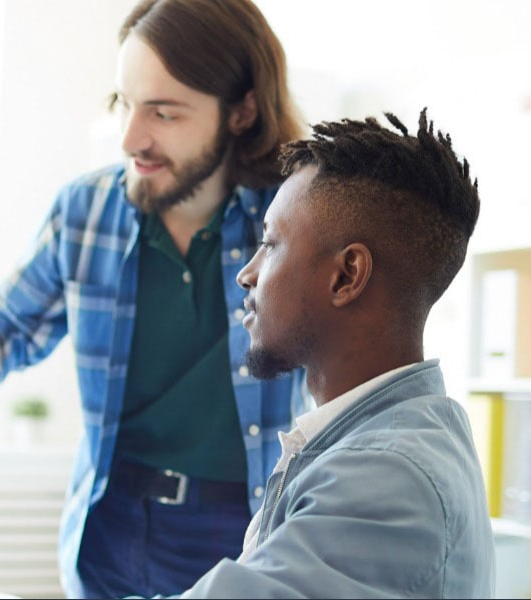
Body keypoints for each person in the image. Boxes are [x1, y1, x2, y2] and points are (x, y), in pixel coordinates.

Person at [0, 0, 305, 596]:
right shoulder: (85, 211)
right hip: (109, 530)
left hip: (241, 532)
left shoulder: (293, 223)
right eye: (124, 101)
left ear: (242, 111)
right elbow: (9, 333)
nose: (130, 138)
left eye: (164, 113)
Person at [177, 109, 495, 597]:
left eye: (270, 243)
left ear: (347, 276)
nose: (248, 273)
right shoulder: (391, 436)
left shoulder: (386, 474)